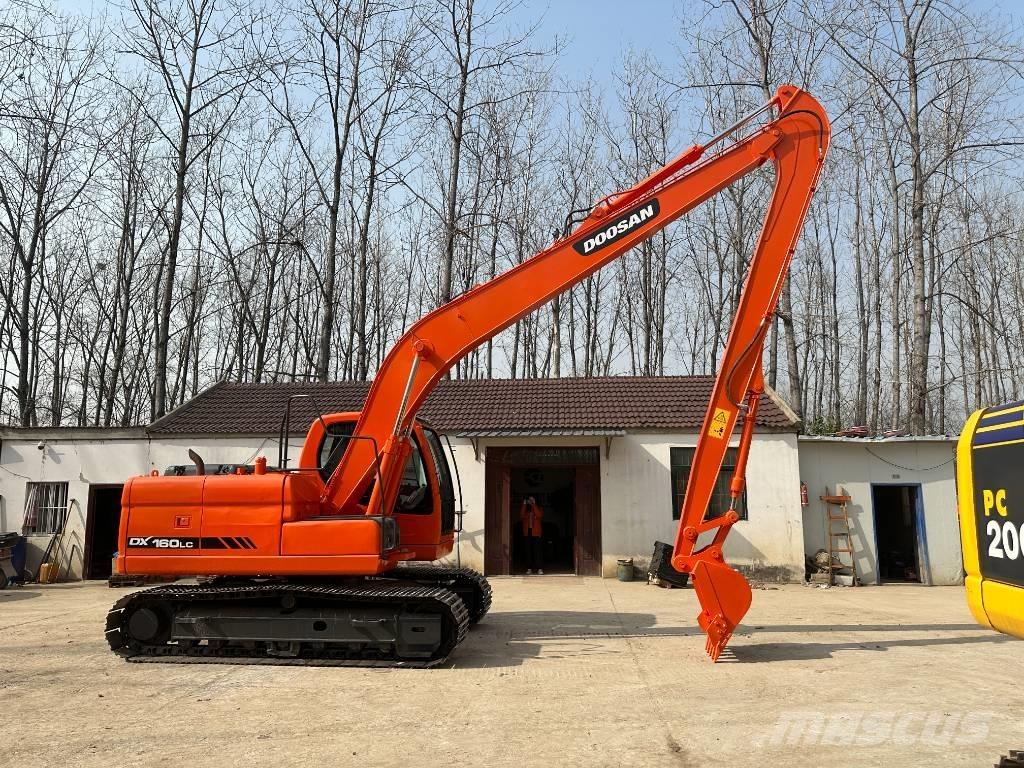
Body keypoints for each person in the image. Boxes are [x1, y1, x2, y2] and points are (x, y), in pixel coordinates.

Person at [519, 496, 544, 575]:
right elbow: (521, 516)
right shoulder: (525, 509)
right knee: (528, 551)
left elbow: (539, 515)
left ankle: (539, 568)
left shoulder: (539, 508)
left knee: (538, 551)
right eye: (529, 500)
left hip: (536, 533)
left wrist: (534, 505)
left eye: (532, 499)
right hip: (527, 533)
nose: (530, 501)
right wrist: (524, 504)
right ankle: (529, 568)